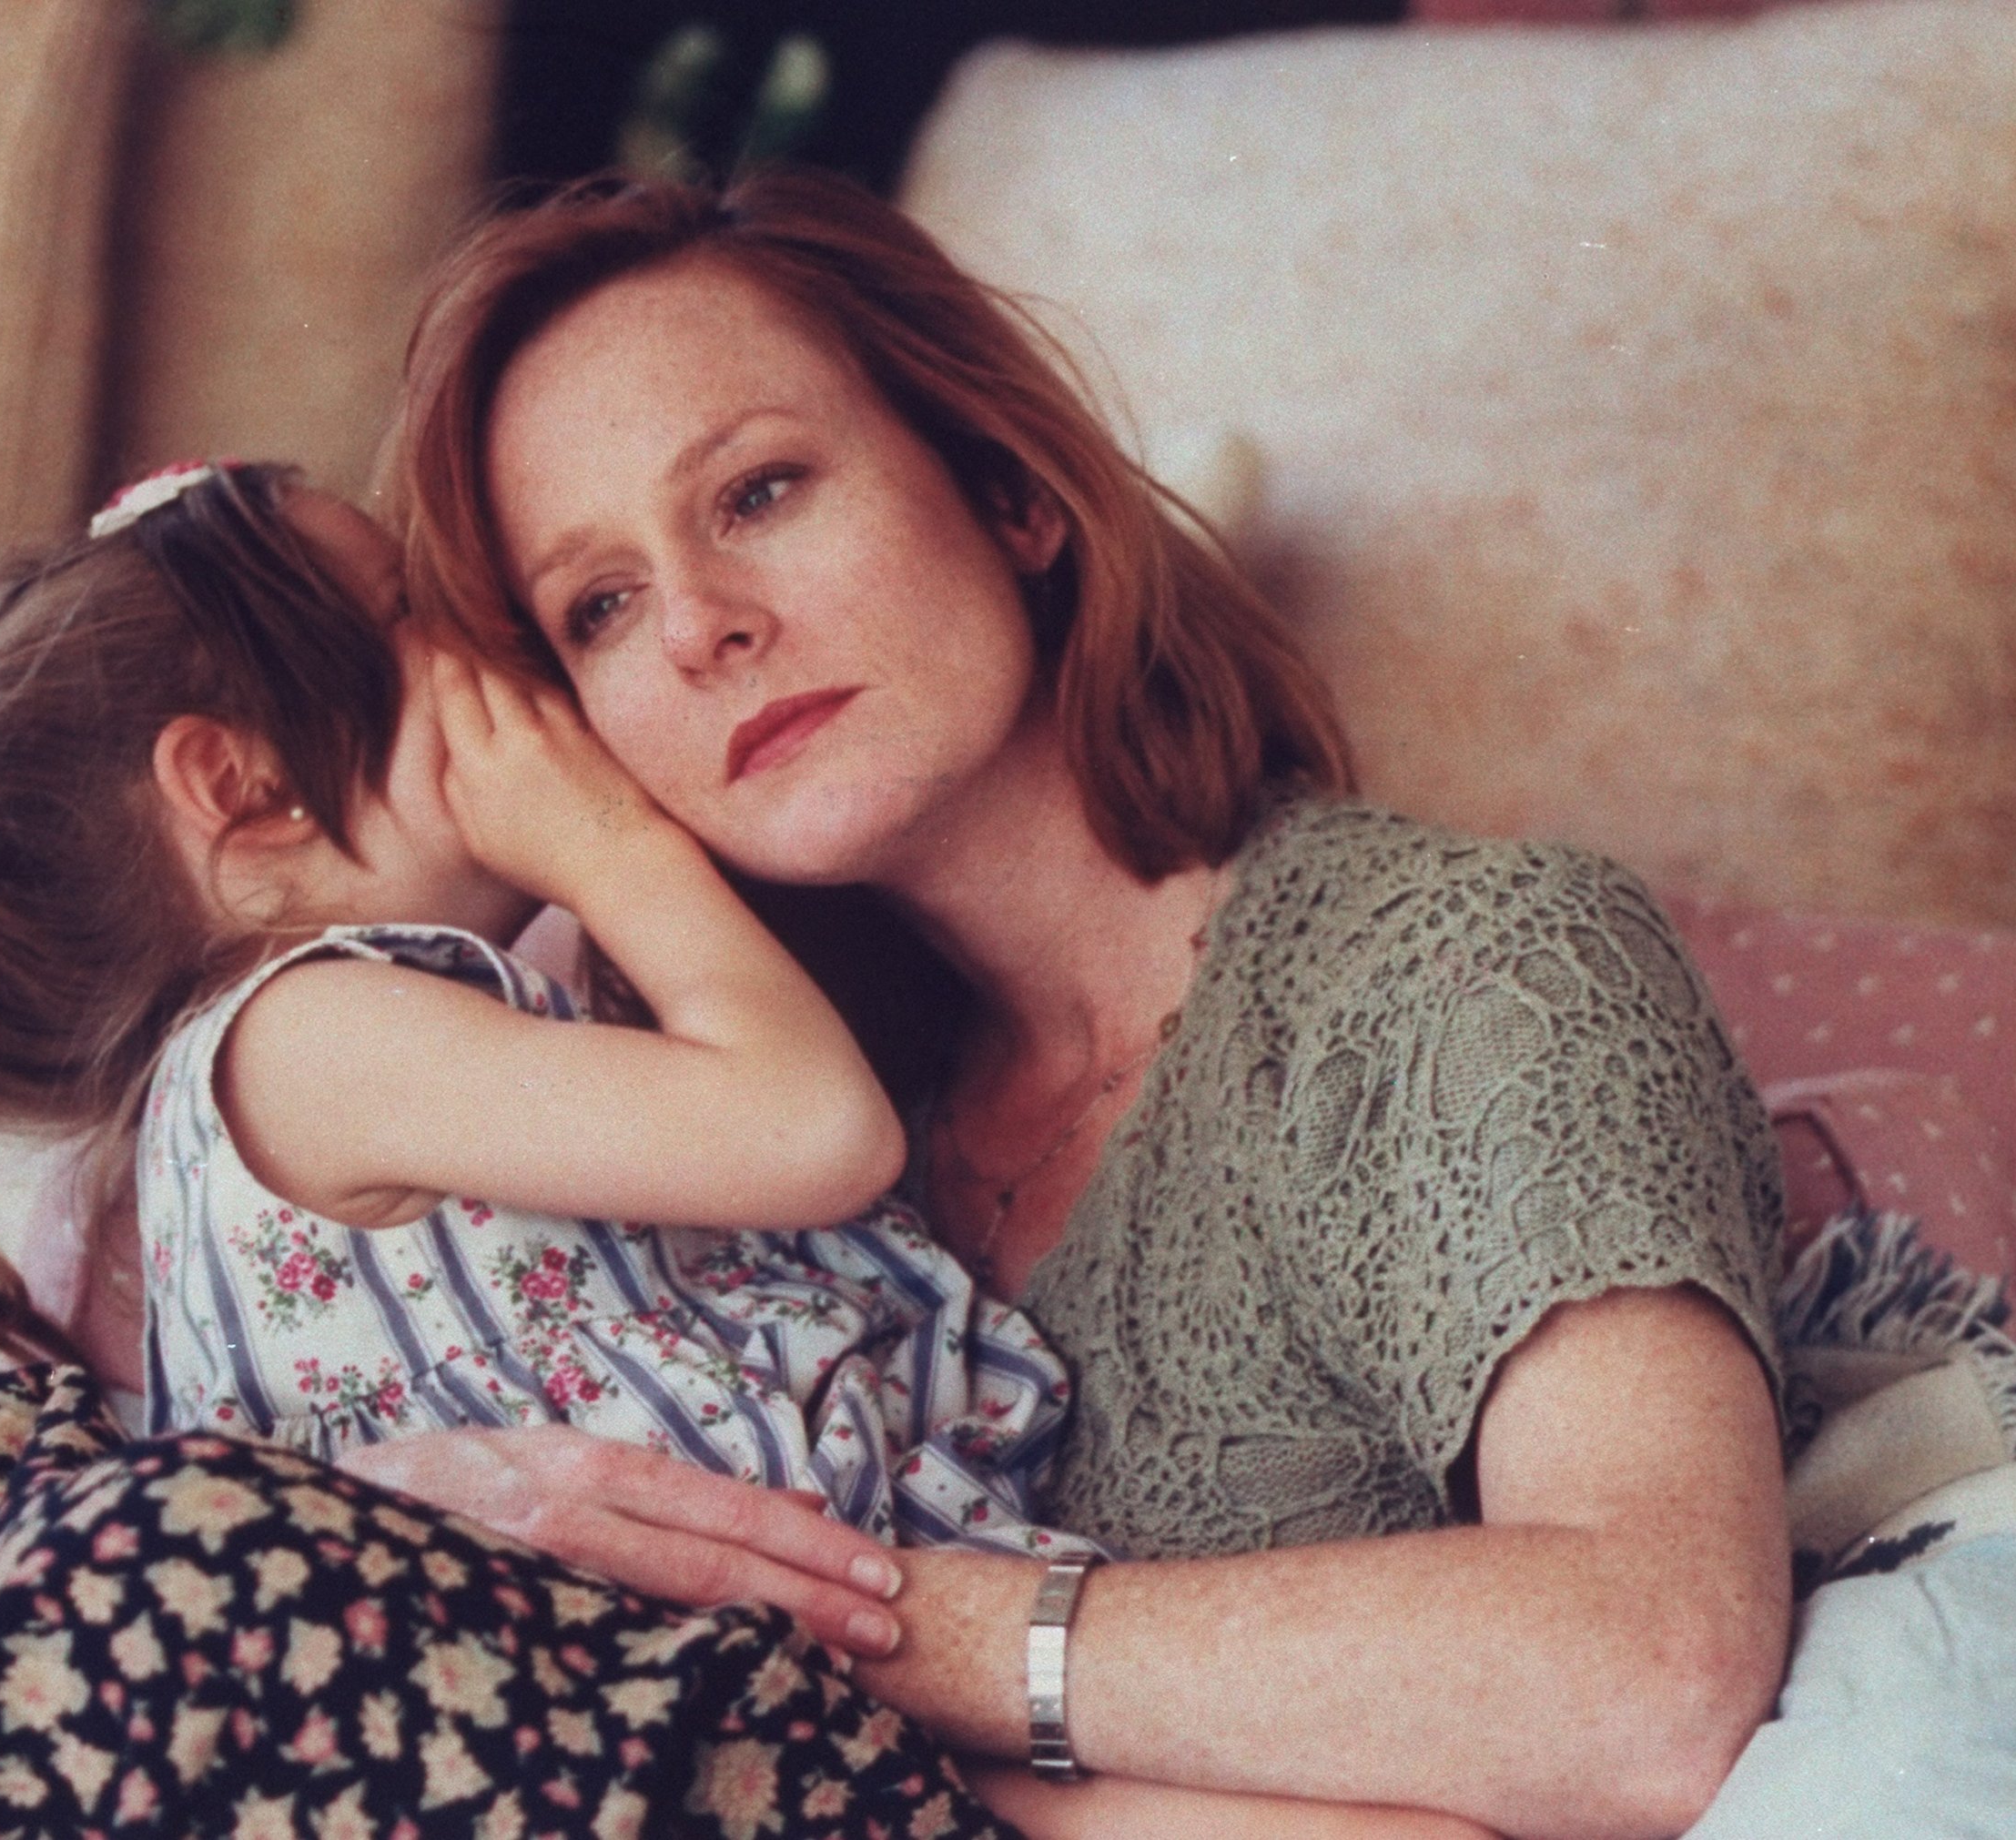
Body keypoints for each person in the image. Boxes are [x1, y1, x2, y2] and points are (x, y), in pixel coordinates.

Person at [369, 165, 1797, 1840]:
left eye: (757, 491)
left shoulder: (1470, 970)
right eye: (597, 605)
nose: (696, 626)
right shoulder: (763, 1148)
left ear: (1008, 493)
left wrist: (865, 1618)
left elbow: (1655, 1678)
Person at [0, 460, 1096, 1834]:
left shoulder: (328, 1043)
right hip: (741, 1729)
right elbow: (820, 1129)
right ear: (241, 781)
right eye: (405, 606)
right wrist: (605, 842)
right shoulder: (306, 1037)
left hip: (791, 1685)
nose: (485, 635)